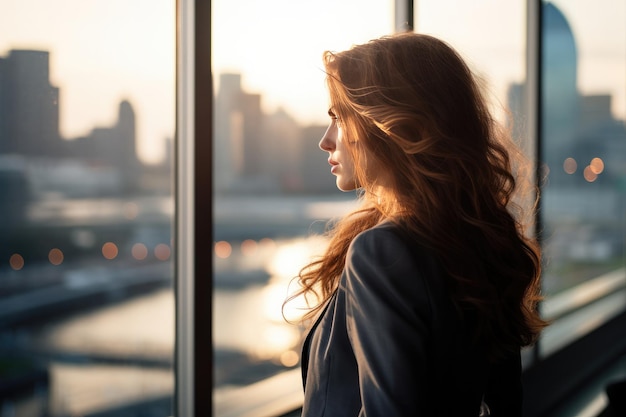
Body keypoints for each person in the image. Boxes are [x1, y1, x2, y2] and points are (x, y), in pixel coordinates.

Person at [285, 32, 548, 417]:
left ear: (391, 124)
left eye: (339, 117)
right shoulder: (474, 240)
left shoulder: (381, 251)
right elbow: (506, 403)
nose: (326, 141)